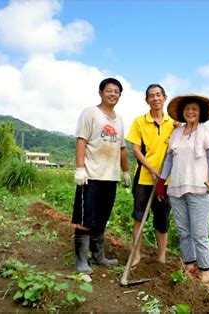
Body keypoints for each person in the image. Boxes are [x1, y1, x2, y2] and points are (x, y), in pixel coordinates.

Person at [155, 94, 209, 282]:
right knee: (184, 232)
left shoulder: (207, 132)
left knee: (200, 234)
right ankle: (189, 267)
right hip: (176, 189)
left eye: (194, 109)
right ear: (182, 113)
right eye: (187, 109)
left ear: (200, 113)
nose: (190, 112)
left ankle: (205, 273)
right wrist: (162, 181)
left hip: (199, 189)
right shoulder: (176, 134)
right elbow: (169, 159)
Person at [72, 77, 131, 273]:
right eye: (109, 90)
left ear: (120, 96)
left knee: (102, 218)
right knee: (84, 218)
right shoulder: (90, 113)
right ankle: (81, 259)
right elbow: (81, 140)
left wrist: (125, 171)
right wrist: (80, 168)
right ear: (101, 93)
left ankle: (98, 256)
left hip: (110, 177)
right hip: (90, 175)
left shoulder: (119, 120)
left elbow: (122, 149)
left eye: (117, 92)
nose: (113, 94)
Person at [126, 84, 178, 267]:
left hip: (167, 181)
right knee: (139, 217)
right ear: (146, 100)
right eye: (151, 96)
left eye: (158, 95)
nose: (155, 98)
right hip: (144, 178)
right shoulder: (139, 121)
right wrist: (152, 171)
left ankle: (161, 256)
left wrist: (162, 175)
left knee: (162, 218)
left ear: (164, 97)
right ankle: (137, 255)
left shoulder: (174, 123)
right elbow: (135, 150)